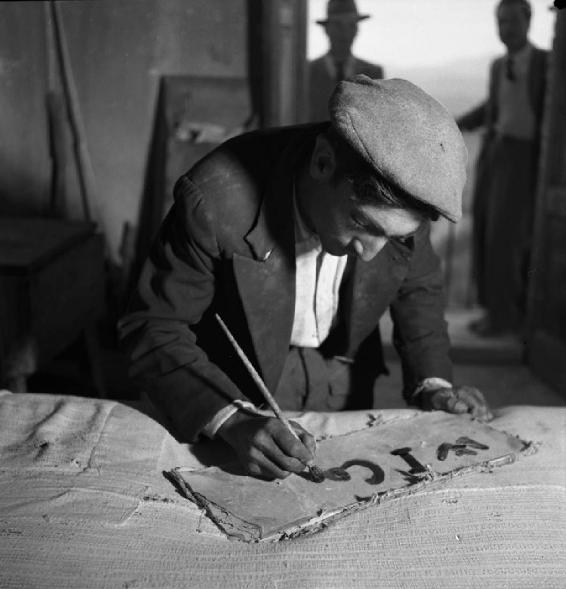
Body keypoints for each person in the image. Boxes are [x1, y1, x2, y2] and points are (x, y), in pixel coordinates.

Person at [119, 76, 493, 481]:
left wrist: (433, 385)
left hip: (346, 376)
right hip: (245, 385)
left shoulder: (405, 194)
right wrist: (232, 420)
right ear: (322, 163)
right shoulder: (213, 200)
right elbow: (154, 325)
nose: (370, 253)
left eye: (396, 236)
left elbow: (418, 288)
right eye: (360, 223)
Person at [457, 0, 547, 337]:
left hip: (525, 159)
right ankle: (493, 310)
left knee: (506, 238)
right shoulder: (497, 66)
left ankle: (507, 316)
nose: (504, 29)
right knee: (485, 230)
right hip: (495, 156)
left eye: (510, 21)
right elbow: (490, 109)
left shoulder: (545, 63)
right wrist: (456, 123)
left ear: (528, 21)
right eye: (500, 22)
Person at [308, 0, 384, 122]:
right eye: (338, 25)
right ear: (327, 29)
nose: (345, 33)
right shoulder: (306, 73)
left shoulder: (373, 75)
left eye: (351, 25)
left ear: (356, 30)